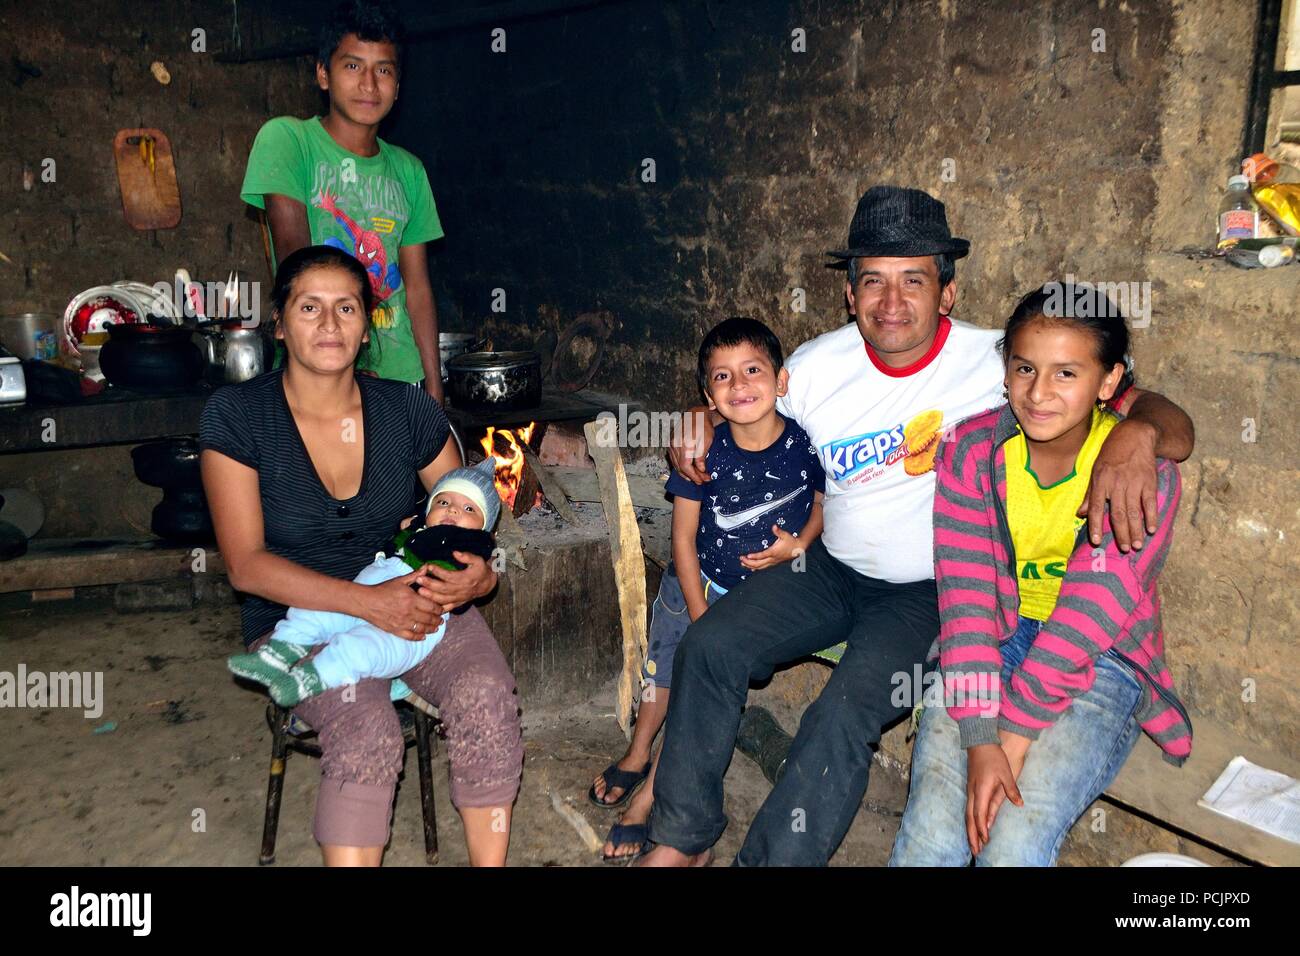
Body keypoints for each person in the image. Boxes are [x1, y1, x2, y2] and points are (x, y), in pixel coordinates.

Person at [638, 186, 1195, 867]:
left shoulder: (1005, 366)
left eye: (914, 280)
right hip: (830, 569)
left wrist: (1138, 434)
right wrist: (699, 421)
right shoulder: (814, 369)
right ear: (851, 295)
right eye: (873, 280)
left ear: (947, 293)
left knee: (842, 711)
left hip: (936, 591)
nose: (892, 302)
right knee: (711, 645)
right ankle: (682, 838)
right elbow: (740, 398)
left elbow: (1160, 412)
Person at [199, 245, 521, 866]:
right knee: (367, 727)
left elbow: (469, 520)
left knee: (486, 692)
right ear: (279, 322)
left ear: (367, 321)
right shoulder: (238, 417)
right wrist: (367, 603)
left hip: (422, 605)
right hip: (300, 619)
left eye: (346, 307)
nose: (328, 324)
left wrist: (479, 579)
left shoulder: (408, 411)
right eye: (309, 307)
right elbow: (246, 565)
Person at [888, 284, 1191, 866]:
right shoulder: (970, 451)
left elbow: (1088, 616)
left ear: (1109, 383)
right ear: (1005, 371)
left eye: (1066, 374)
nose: (1039, 392)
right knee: (931, 834)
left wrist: (1015, 732)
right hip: (991, 643)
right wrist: (980, 736)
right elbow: (968, 603)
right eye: (1025, 368)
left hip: (1101, 661)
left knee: (1014, 843)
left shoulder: (1139, 476)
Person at [589, 318, 825, 861]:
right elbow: (683, 539)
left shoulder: (802, 445)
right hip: (692, 587)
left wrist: (801, 544)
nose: (739, 386)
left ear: (780, 381)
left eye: (752, 371)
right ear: (707, 394)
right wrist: (699, 613)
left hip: (750, 602)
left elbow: (820, 503)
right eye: (722, 377)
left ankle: (652, 797)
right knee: (661, 673)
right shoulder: (703, 452)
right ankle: (637, 749)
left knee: (700, 688)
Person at [240, 0, 447, 400]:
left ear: (398, 86)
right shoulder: (288, 141)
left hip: (402, 380)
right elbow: (296, 265)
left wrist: (434, 387)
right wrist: (350, 372)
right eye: (353, 66)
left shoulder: (409, 170)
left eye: (383, 70)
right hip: (319, 376)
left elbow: (418, 288)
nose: (369, 85)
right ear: (323, 74)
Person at [225, 459, 500, 708]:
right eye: (443, 502)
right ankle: (277, 654)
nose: (451, 509)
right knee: (315, 612)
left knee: (362, 648)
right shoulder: (415, 527)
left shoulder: (471, 545)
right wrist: (409, 528)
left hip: (413, 623)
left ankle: (308, 679)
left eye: (468, 508)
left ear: (484, 526)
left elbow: (477, 573)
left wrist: (485, 577)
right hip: (363, 595)